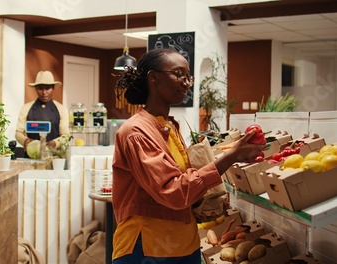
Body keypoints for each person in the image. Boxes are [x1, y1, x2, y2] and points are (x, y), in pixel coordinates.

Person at [111, 48, 265, 263]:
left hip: (182, 243)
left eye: (188, 76)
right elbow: (173, 192)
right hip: (148, 246)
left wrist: (204, 200)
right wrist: (229, 158)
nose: (186, 82)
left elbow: (180, 184)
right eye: (178, 74)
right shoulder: (136, 132)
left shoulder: (167, 126)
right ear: (153, 77)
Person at [15, 70, 70, 158]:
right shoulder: (26, 108)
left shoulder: (61, 109)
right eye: (40, 88)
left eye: (47, 88)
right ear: (36, 88)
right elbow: (18, 133)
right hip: (31, 156)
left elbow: (66, 135)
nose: (44, 92)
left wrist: (55, 143)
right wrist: (25, 141)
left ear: (53, 88)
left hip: (54, 157)